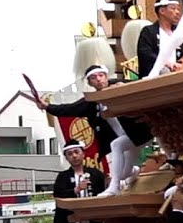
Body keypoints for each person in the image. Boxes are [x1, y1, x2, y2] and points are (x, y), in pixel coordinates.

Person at [37, 64, 154, 197]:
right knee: (123, 174)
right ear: (89, 82)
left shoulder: (120, 86)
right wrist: (47, 107)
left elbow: (142, 86)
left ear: (106, 76)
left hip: (140, 133)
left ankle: (113, 187)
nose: (98, 79)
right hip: (127, 139)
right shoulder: (93, 102)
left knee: (116, 145)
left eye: (101, 75)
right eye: (93, 78)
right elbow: (69, 108)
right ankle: (133, 172)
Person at [135, 0, 183, 79]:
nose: (177, 12)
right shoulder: (149, 32)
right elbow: (146, 55)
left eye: (178, 9)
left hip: (178, 73)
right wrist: (167, 63)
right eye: (173, 8)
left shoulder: (178, 32)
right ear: (162, 11)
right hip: (156, 77)